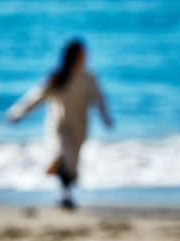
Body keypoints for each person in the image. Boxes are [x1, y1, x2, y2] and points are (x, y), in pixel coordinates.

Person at [7, 39, 112, 210]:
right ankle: (64, 195)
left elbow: (99, 99)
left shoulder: (89, 78)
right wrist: (18, 113)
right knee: (63, 156)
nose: (85, 56)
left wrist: (105, 117)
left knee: (72, 164)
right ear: (75, 56)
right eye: (82, 53)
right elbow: (37, 97)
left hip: (80, 127)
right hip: (59, 126)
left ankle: (66, 193)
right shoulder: (58, 77)